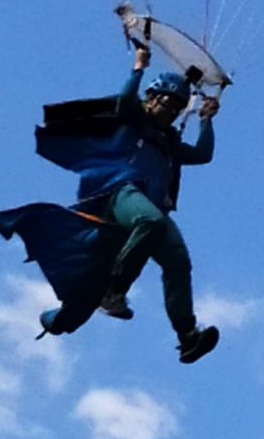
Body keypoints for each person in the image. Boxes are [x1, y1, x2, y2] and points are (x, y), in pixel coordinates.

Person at [37, 40, 222, 364]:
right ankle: (113, 290)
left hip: (151, 207)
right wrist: (139, 67)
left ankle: (187, 336)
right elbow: (124, 100)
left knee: (178, 261)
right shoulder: (133, 120)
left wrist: (206, 119)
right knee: (150, 221)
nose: (171, 112)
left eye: (178, 108)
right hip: (119, 194)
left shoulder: (169, 142)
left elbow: (202, 155)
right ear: (151, 99)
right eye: (167, 103)